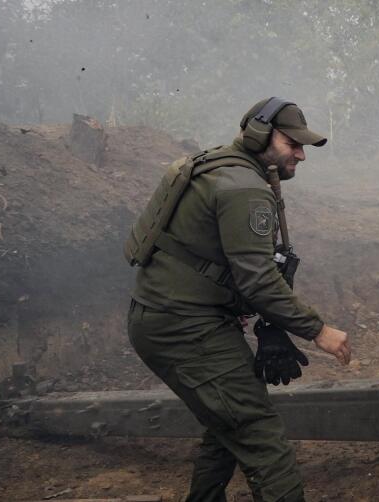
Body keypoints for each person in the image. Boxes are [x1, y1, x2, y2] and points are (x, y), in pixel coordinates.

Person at [126, 98, 351, 502]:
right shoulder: (244, 188)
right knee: (260, 435)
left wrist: (269, 324)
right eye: (293, 143)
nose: (301, 153)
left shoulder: (218, 166)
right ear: (259, 134)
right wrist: (317, 330)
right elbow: (258, 280)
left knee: (227, 422)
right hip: (184, 328)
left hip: (174, 318)